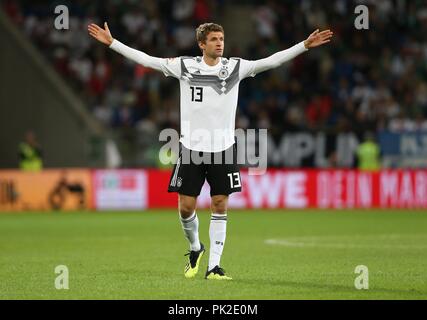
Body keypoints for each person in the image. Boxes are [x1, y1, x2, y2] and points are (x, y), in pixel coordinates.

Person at [88, 21, 333, 280]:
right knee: (185, 207)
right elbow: (149, 60)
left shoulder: (235, 67)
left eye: (222, 38)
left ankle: (214, 267)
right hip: (191, 148)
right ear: (202, 44)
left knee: (219, 204)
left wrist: (304, 46)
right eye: (214, 39)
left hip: (223, 148)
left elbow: (271, 62)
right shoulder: (185, 66)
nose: (219, 43)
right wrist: (113, 43)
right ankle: (195, 247)